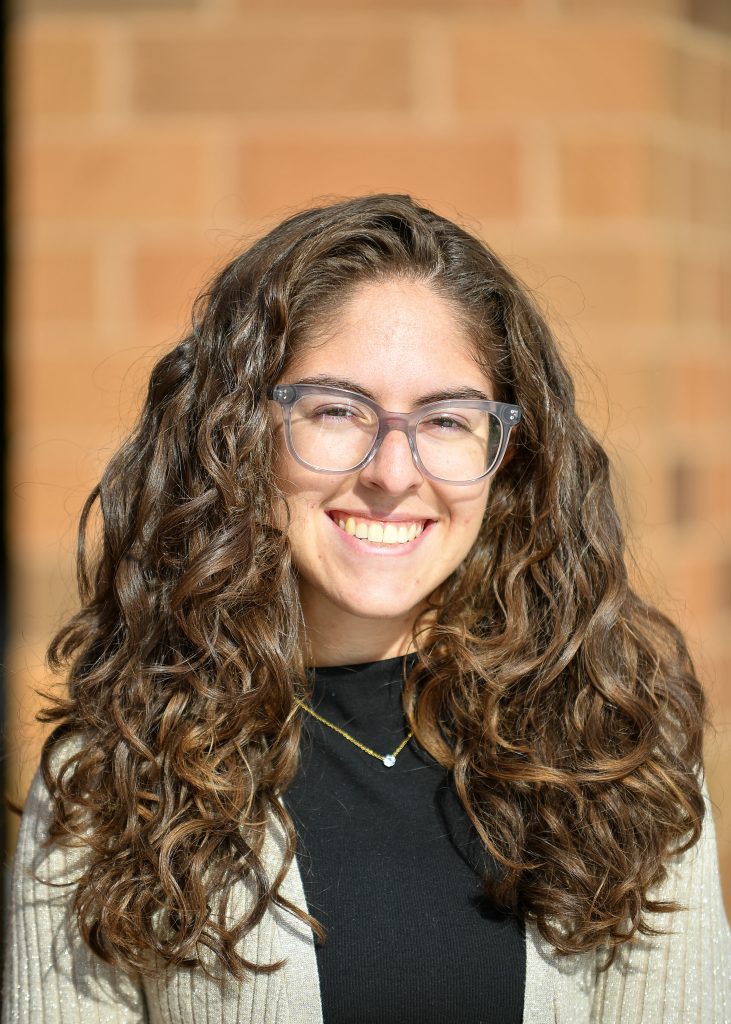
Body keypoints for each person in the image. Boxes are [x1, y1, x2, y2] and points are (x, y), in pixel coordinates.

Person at [3, 193, 730, 1024]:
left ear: (509, 458)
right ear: (239, 435)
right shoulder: (114, 779)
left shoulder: (617, 760)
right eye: (337, 410)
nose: (391, 472)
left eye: (446, 418)